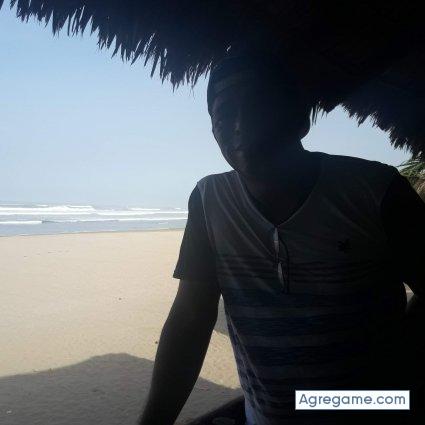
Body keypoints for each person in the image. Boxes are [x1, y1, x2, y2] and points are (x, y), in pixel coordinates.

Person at [138, 49, 424, 425]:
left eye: (259, 105)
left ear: (300, 118)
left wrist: (393, 371)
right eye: (224, 114)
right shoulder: (210, 200)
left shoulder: (375, 191)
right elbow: (192, 316)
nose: (240, 125)